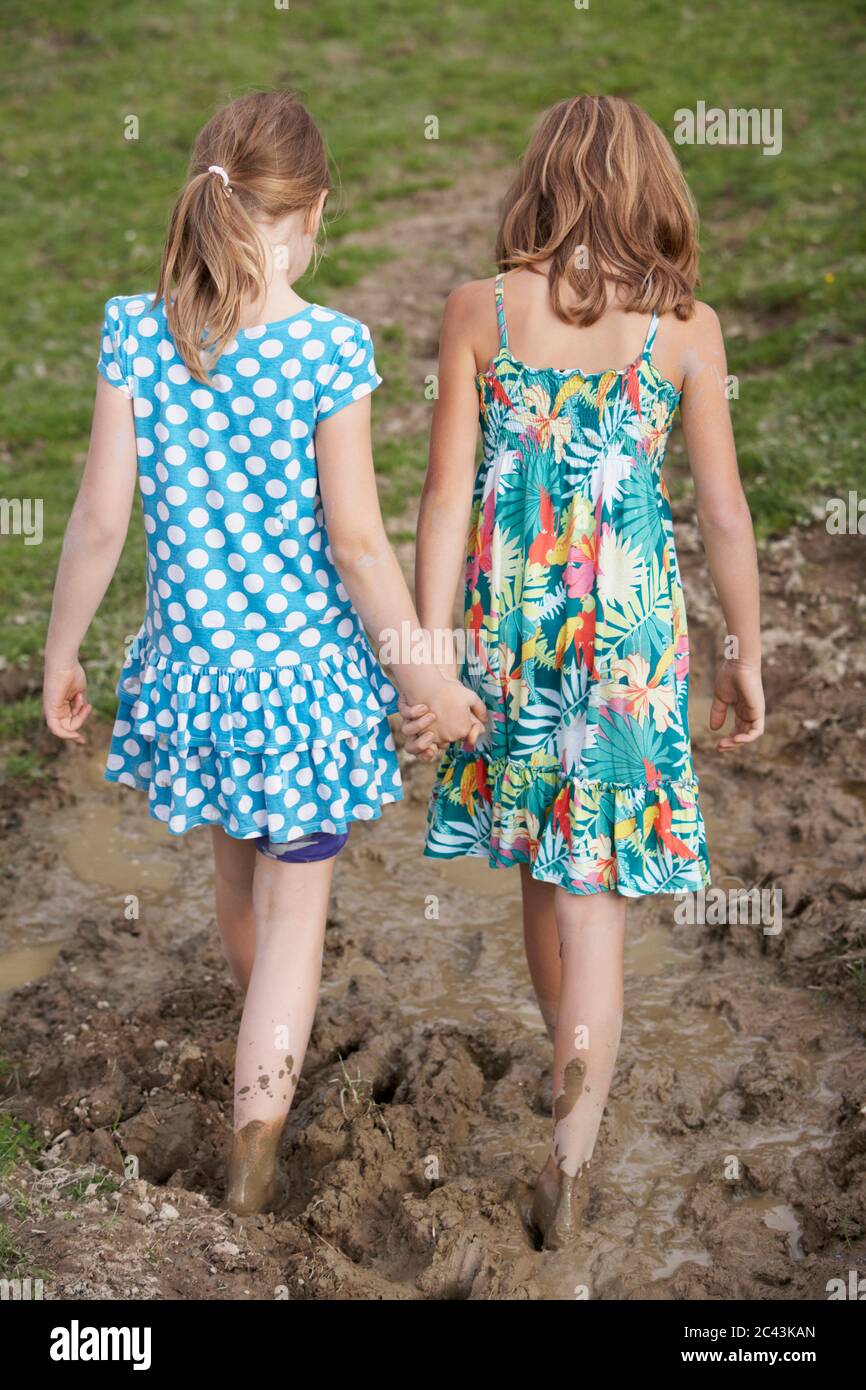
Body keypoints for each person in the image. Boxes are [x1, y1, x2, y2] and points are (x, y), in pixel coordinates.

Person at [43, 91, 484, 1216]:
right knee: (296, 926)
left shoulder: (136, 330)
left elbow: (99, 517)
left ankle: (262, 1043)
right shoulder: (328, 349)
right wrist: (426, 673)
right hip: (302, 698)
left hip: (191, 680)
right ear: (313, 213)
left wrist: (61, 647)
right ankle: (252, 1160)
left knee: (237, 876)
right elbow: (356, 544)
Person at [400, 95, 764, 1249]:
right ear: (652, 192)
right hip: (625, 649)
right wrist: (746, 652)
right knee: (593, 892)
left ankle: (570, 1062)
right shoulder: (682, 330)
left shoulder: (477, 312)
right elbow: (720, 513)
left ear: (539, 186)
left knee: (533, 861)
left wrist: (426, 652)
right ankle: (575, 1140)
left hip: (508, 628)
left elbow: (442, 497)